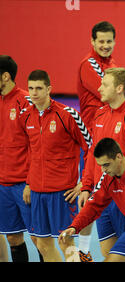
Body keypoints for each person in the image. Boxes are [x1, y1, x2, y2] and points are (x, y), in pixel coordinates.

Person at [76, 21, 125, 260]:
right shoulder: (89, 65)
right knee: (88, 197)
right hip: (96, 137)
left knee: (109, 195)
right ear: (92, 42)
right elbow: (116, 93)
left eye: (109, 41)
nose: (104, 45)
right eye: (100, 41)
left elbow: (122, 94)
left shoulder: (112, 65)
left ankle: (85, 249)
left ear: (114, 42)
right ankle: (80, 250)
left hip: (114, 134)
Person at [77, 67, 125, 259]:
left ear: (119, 88)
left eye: (105, 84)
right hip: (102, 197)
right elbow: (92, 154)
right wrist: (86, 187)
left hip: (124, 199)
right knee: (108, 254)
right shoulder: (99, 114)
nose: (99, 88)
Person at [18, 70, 92, 262]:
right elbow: (31, 152)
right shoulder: (26, 116)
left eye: (39, 88)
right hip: (37, 191)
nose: (34, 93)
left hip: (62, 192)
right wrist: (28, 183)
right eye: (31, 88)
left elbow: (90, 147)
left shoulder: (68, 115)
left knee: (66, 242)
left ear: (49, 89)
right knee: (41, 243)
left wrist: (84, 182)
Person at [0, 55, 41, 262]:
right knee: (13, 238)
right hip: (2, 185)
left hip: (24, 185)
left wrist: (30, 182)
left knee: (39, 239)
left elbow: (38, 144)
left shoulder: (25, 102)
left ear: (5, 76)